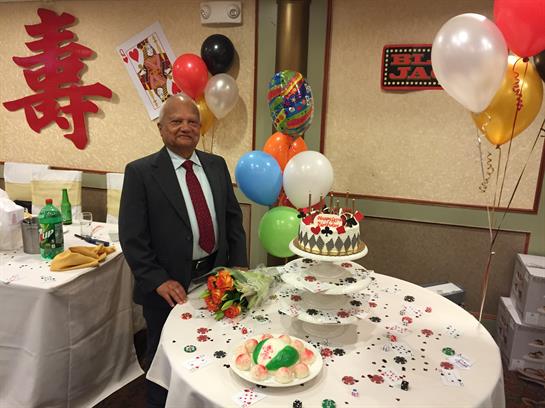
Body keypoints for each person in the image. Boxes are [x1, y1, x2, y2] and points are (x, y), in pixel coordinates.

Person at [119, 94, 248, 407]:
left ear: (200, 128)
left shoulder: (216, 165)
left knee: (213, 350)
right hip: (167, 288)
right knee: (165, 359)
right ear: (161, 129)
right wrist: (158, 279)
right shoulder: (141, 173)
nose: (185, 127)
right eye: (176, 121)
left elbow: (232, 220)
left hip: (216, 278)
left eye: (192, 121)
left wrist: (239, 266)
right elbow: (132, 236)